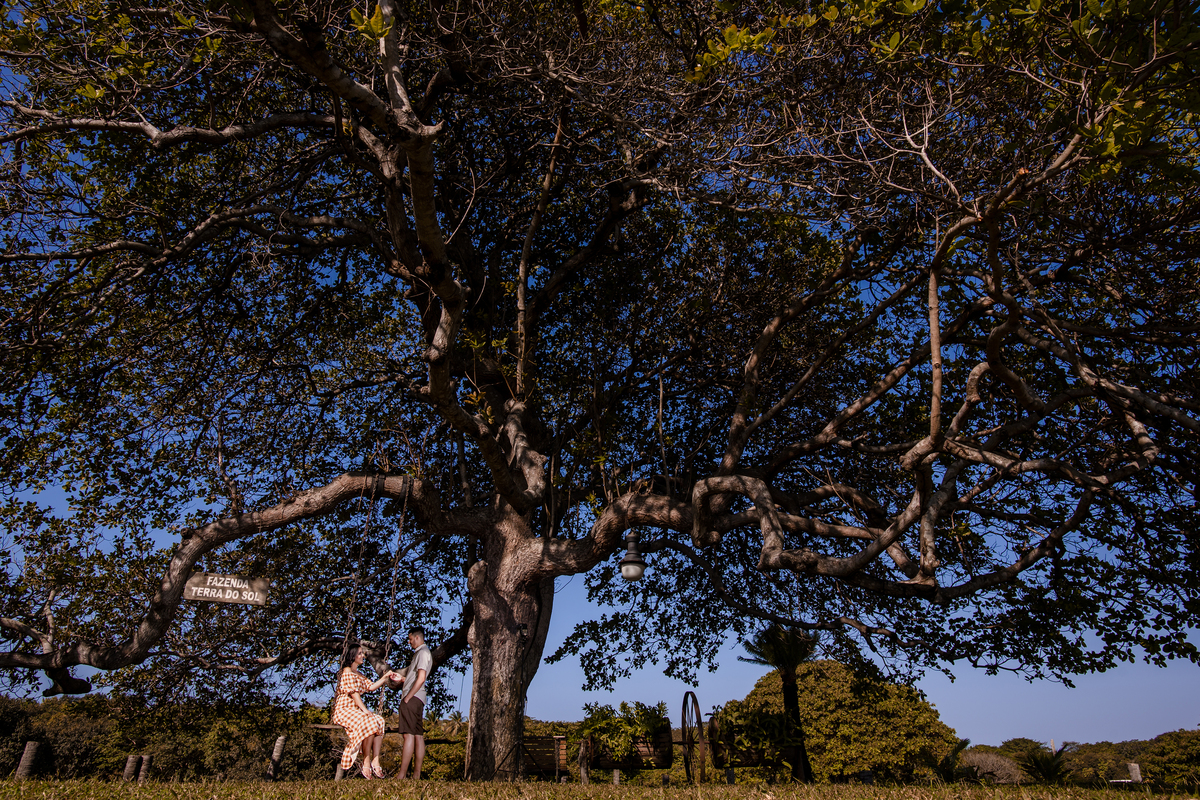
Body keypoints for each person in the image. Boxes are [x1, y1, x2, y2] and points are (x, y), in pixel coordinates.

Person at [332, 644, 395, 779]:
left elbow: (371, 687)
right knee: (369, 720)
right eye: (360, 653)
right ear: (352, 656)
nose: (363, 656)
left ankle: (375, 760)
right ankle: (366, 762)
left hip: (355, 710)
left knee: (379, 720)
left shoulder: (359, 674)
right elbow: (354, 694)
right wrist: (365, 710)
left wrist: (385, 678)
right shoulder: (347, 672)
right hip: (344, 709)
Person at [391, 625, 433, 780]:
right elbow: (415, 677)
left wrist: (408, 696)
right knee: (417, 736)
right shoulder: (422, 654)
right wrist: (402, 679)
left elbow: (421, 678)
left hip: (413, 698)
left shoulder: (422, 653)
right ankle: (416, 776)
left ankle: (402, 775)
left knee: (408, 736)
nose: (409, 642)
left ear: (417, 637)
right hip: (418, 698)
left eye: (410, 639)